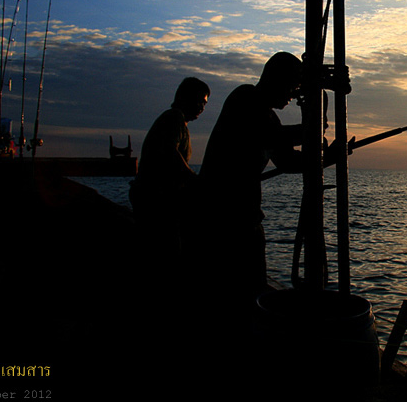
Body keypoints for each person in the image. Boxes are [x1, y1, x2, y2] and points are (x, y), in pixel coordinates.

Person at [195, 52, 304, 304]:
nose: (294, 94)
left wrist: (329, 155)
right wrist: (310, 127)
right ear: (275, 79)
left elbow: (288, 162)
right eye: (292, 86)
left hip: (246, 221)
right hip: (219, 222)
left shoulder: (269, 118)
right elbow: (271, 137)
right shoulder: (244, 98)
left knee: (250, 294)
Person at [129, 76, 210, 257]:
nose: (202, 107)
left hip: (158, 200)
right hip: (156, 202)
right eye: (199, 101)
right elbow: (170, 153)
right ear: (184, 97)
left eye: (204, 104)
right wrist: (195, 180)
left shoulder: (180, 123)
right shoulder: (173, 118)